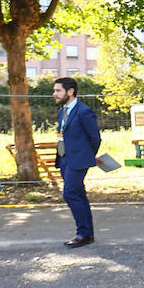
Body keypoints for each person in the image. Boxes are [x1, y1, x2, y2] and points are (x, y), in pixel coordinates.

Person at [52, 76, 101, 248]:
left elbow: (95, 137)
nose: (54, 94)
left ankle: (83, 233)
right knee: (79, 194)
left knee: (70, 193)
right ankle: (87, 234)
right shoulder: (62, 112)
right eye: (54, 91)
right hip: (64, 160)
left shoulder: (84, 111)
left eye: (58, 90)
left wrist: (88, 156)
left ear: (70, 91)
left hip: (78, 161)